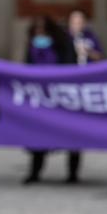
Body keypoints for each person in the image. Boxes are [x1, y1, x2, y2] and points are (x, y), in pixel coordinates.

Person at [22, 16, 81, 184]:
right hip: (40, 98)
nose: (40, 34)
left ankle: (72, 174)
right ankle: (35, 172)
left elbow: (71, 67)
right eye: (37, 31)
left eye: (43, 31)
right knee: (37, 136)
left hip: (62, 96)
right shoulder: (32, 46)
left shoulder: (64, 45)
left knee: (71, 136)